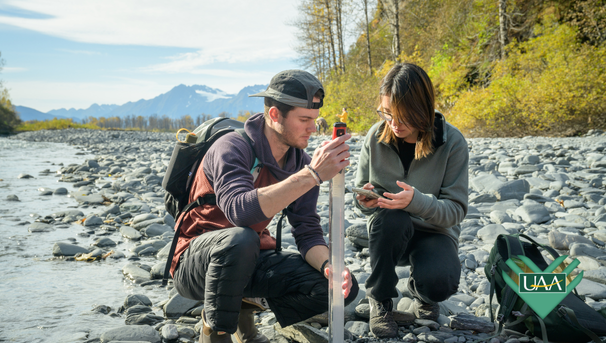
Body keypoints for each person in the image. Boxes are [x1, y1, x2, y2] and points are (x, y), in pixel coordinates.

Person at [170, 69, 359, 343]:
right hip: (195, 262)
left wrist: (329, 266)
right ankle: (216, 332)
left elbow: (307, 232)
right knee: (241, 239)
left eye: (315, 120)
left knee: (338, 289)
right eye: (304, 119)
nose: (312, 128)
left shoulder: (302, 163)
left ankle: (243, 305)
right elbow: (240, 212)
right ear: (274, 115)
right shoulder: (232, 147)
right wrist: (313, 175)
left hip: (248, 258)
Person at [353, 63, 468, 338]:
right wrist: (363, 201)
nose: (394, 124)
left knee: (440, 285)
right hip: (389, 232)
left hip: (434, 233)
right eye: (387, 113)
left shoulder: (452, 143)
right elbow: (360, 191)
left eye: (403, 116)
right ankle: (380, 300)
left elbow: (456, 211)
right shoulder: (375, 136)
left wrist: (416, 202)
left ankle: (420, 292)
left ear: (422, 110)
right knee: (391, 218)